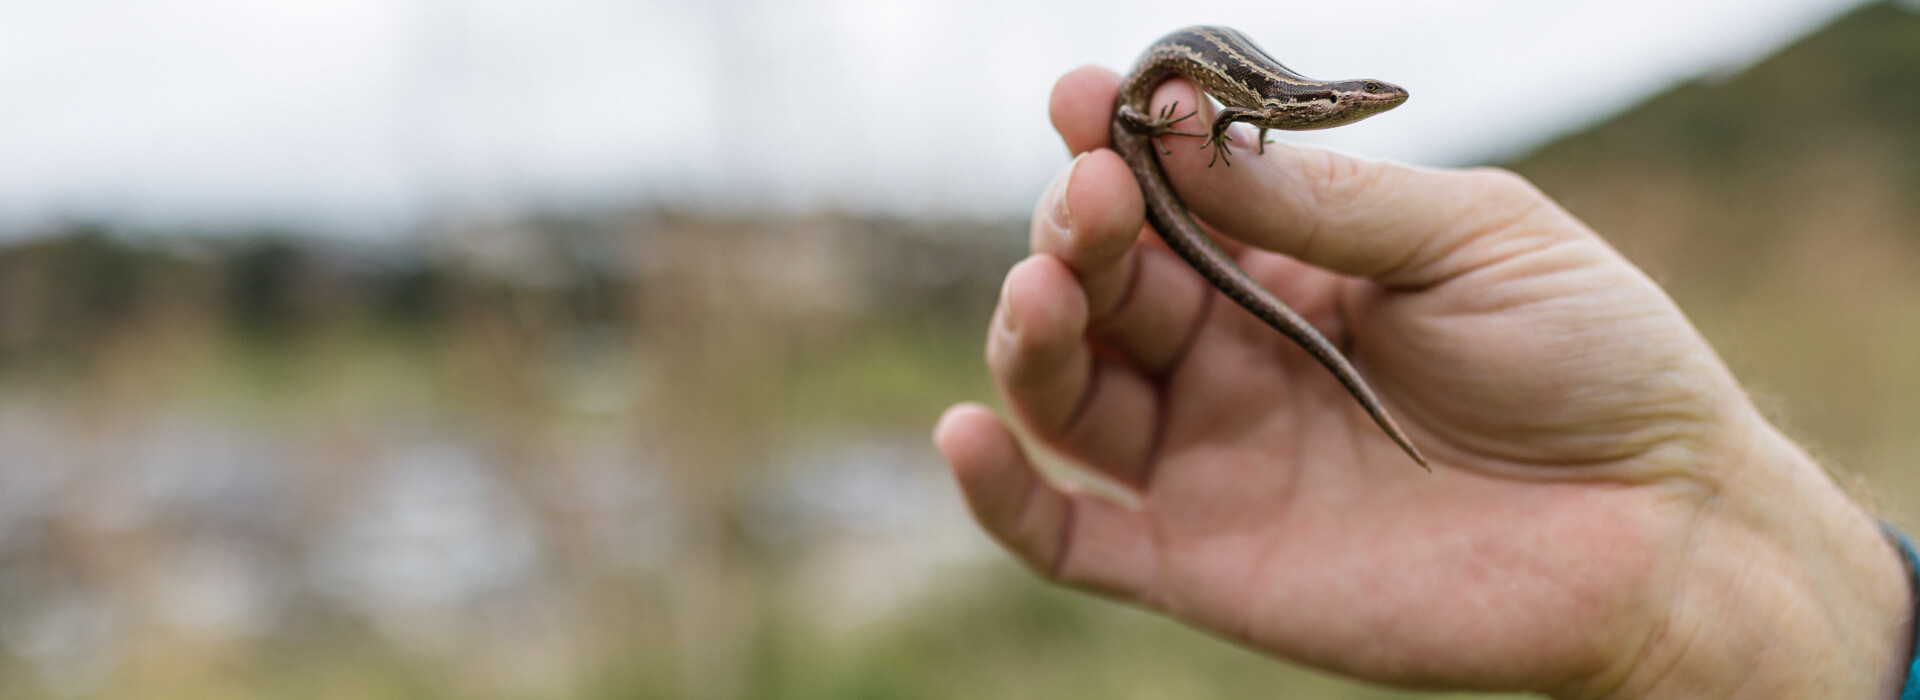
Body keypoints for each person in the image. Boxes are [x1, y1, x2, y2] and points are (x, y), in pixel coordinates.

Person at [932, 65, 1915, 698]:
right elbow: (1226, 106)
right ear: (1330, 106)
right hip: (1159, 103)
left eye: (1365, 107)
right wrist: (1179, 131)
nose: (1367, 112)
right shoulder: (1253, 99)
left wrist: (1701, 553)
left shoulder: (1265, 110)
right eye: (1361, 104)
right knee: (1124, 190)